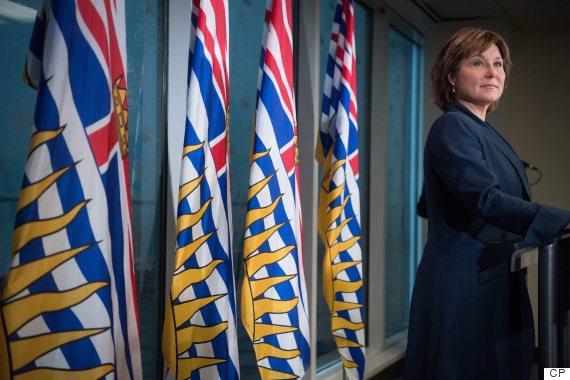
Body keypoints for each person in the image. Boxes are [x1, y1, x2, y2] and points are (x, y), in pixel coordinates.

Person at [405, 27, 570, 380]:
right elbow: (485, 199)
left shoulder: (483, 131)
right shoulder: (451, 127)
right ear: (451, 75)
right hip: (466, 284)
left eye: (498, 64)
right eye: (478, 63)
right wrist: (562, 220)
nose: (493, 71)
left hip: (498, 275)